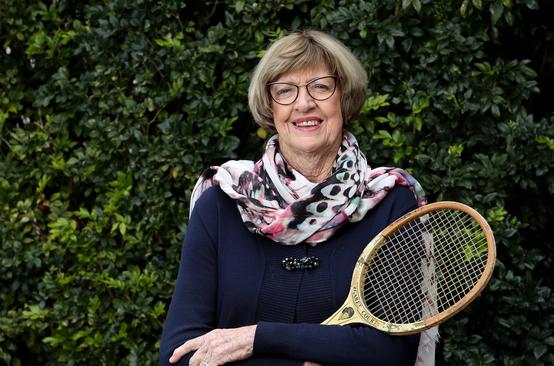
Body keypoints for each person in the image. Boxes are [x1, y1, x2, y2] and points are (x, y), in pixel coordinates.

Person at [159, 29, 437, 366]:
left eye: (320, 87)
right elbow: (180, 352)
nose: (304, 103)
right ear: (270, 106)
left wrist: (257, 338)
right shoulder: (221, 202)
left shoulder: (392, 202)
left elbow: (391, 352)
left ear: (344, 98)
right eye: (285, 91)